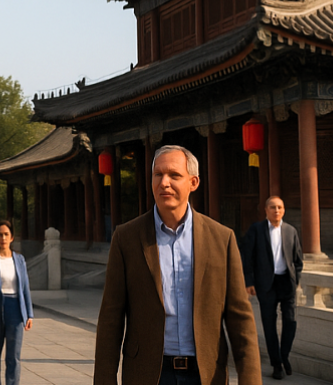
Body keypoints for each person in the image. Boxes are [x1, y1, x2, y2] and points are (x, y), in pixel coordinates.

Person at [94, 145, 260, 385]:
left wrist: (251, 380)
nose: (164, 183)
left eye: (174, 175)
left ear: (193, 182)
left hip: (204, 373)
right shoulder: (127, 237)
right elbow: (111, 317)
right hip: (149, 373)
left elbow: (240, 318)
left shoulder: (221, 239)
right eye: (158, 175)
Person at [240, 197, 303, 380]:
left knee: (291, 321)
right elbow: (247, 256)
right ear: (266, 210)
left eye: (280, 207)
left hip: (286, 282)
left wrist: (295, 279)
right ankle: (277, 365)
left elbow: (298, 260)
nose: (276, 210)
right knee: (269, 325)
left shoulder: (290, 231)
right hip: (265, 284)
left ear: (284, 210)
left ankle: (284, 356)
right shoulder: (256, 230)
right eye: (273, 207)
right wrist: (249, 281)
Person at [0, 221, 33, 385]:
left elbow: (25, 287)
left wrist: (29, 314)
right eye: (0, 235)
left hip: (15, 309)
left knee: (14, 356)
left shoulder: (19, 260)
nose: (3, 238)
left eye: (6, 234)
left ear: (11, 237)